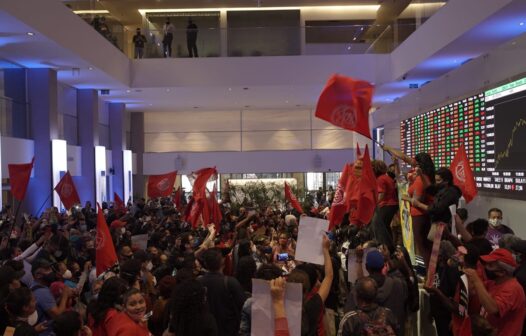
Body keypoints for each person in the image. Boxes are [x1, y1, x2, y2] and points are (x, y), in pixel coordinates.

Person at [463, 248, 526, 336]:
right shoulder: (493, 283)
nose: (485, 267)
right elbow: (472, 291)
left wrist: (476, 280)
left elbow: (493, 309)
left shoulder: (513, 288)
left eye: (490, 265)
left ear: (502, 272)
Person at [345, 249, 407, 335]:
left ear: (366, 267)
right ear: (383, 266)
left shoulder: (359, 290)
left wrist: (359, 261)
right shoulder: (398, 285)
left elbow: (349, 315)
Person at [288, 235, 333, 336]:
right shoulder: (312, 306)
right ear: (309, 287)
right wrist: (325, 249)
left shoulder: (279, 304)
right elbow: (329, 276)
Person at [197, 248, 246, 336]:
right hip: (228, 329)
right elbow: (243, 306)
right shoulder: (231, 282)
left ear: (205, 264)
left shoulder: (198, 283)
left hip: (206, 330)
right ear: (222, 262)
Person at [31, 259, 73, 336]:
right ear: (37, 275)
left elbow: (48, 306)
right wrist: (65, 295)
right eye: (47, 269)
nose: (51, 271)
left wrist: (61, 298)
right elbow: (58, 316)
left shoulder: (38, 286)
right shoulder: (42, 292)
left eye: (50, 268)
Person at [371, 160, 398, 249]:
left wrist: (374, 204)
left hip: (386, 205)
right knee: (385, 229)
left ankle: (384, 249)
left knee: (378, 228)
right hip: (391, 205)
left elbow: (381, 194)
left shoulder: (380, 179)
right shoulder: (385, 177)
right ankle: (389, 248)